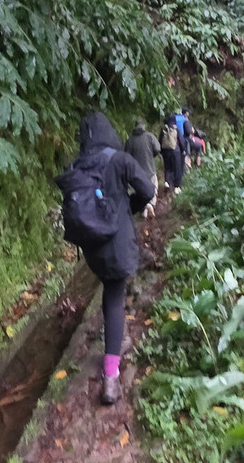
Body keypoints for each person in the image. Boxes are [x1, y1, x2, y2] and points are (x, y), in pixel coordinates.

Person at [67, 112, 155, 405]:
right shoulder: (120, 160)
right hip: (117, 243)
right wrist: (128, 206)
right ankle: (111, 378)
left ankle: (119, 339)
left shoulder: (79, 165)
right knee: (115, 298)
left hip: (93, 246)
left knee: (110, 292)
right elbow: (148, 190)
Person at [125, 118, 161, 194]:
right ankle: (151, 204)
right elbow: (158, 149)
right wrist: (152, 155)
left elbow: (126, 157)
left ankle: (139, 204)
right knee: (153, 189)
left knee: (137, 192)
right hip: (150, 170)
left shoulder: (130, 140)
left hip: (136, 173)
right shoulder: (150, 136)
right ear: (144, 126)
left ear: (135, 126)